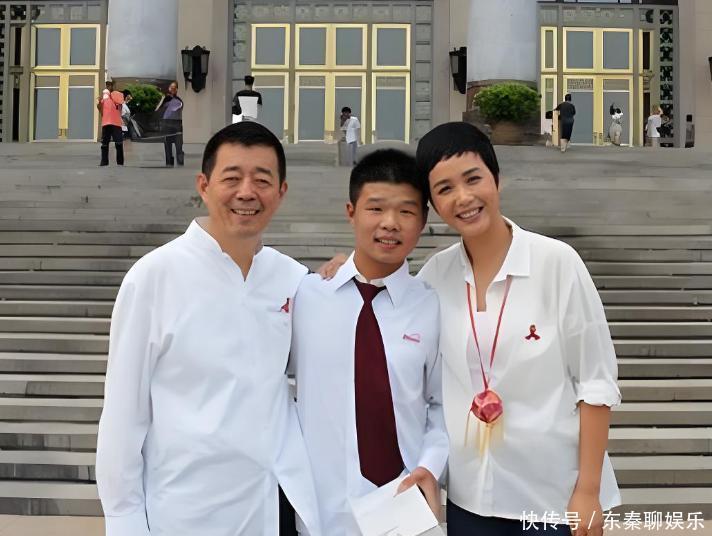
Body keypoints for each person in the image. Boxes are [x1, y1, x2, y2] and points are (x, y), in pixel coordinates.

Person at [320, 122, 622, 536]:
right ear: (433, 205)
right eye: (444, 189)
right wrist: (346, 269)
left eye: (473, 179)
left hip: (551, 497)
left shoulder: (556, 263)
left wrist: (587, 489)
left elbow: (596, 382)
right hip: (469, 501)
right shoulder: (435, 276)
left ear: (497, 179)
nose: (463, 198)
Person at [96, 122, 322, 536]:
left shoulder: (292, 279)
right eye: (231, 178)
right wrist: (124, 521)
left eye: (262, 180)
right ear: (204, 185)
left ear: (281, 192)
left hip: (274, 506)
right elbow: (123, 418)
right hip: (187, 512)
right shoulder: (154, 277)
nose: (247, 193)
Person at [292, 149, 449, 535]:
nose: (390, 223)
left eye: (406, 212)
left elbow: (442, 404)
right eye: (375, 209)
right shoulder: (304, 296)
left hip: (404, 505)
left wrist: (429, 466)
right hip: (320, 510)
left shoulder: (431, 306)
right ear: (351, 212)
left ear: (423, 220)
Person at [156, 81, 184, 166]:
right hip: (166, 123)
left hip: (177, 124)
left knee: (179, 145)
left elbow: (176, 108)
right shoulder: (165, 100)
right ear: (168, 88)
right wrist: (163, 99)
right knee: (167, 145)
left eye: (174, 87)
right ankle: (169, 162)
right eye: (171, 87)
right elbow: (157, 109)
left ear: (177, 89)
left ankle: (180, 162)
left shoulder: (179, 100)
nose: (172, 89)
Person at [97, 85, 124, 166]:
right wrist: (99, 102)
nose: (108, 87)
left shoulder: (117, 96)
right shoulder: (105, 99)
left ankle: (119, 162)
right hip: (107, 123)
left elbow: (120, 102)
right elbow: (100, 109)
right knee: (105, 143)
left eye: (109, 85)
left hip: (115, 123)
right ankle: (105, 162)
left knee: (118, 143)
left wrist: (111, 95)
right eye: (107, 86)